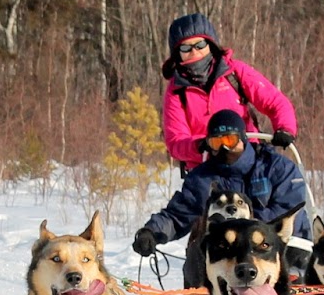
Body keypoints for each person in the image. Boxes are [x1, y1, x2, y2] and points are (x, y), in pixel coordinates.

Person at [132, 109, 310, 260]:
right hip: (231, 258)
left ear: (243, 138)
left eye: (229, 141)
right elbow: (177, 215)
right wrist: (151, 232)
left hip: (282, 250)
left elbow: (289, 211)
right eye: (217, 143)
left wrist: (242, 223)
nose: (225, 149)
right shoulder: (202, 178)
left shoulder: (275, 167)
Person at [161, 12, 298, 173]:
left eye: (200, 44)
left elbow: (276, 102)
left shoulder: (235, 72)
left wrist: (285, 129)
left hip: (248, 162)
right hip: (205, 169)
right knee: (189, 198)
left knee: (285, 184)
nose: (194, 52)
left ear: (210, 44)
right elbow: (176, 142)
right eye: (186, 47)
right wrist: (202, 146)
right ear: (177, 54)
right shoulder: (176, 92)